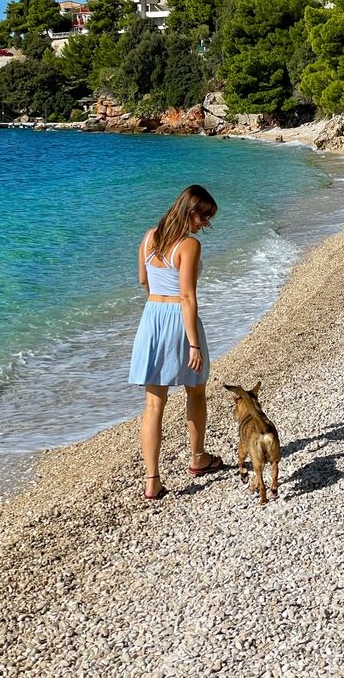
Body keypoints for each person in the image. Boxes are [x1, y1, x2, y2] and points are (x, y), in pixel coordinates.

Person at [129, 184, 224, 499]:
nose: (204, 224)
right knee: (196, 391)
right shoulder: (188, 245)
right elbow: (186, 296)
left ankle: (152, 481)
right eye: (203, 217)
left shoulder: (148, 238)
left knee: (153, 404)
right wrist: (194, 344)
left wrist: (156, 308)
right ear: (190, 211)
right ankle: (198, 458)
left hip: (152, 316)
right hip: (178, 319)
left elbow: (144, 281)